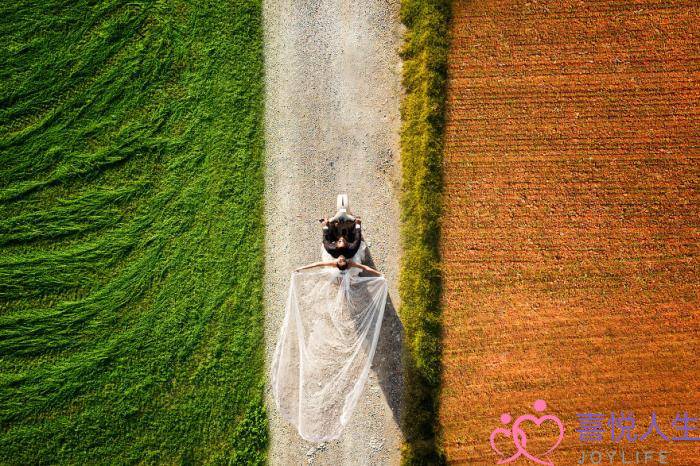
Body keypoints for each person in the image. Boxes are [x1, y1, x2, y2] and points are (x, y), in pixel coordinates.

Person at [295, 255, 382, 275]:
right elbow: (365, 267)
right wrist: (378, 274)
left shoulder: (333, 263)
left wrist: (301, 268)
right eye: (343, 260)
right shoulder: (350, 263)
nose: (341, 258)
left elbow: (316, 264)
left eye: (340, 260)